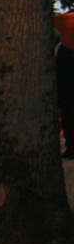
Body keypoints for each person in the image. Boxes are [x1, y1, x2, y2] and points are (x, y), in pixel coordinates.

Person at [56, 29, 74, 158]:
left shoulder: (67, 54)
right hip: (64, 95)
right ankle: (70, 146)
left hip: (69, 94)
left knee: (70, 121)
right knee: (67, 122)